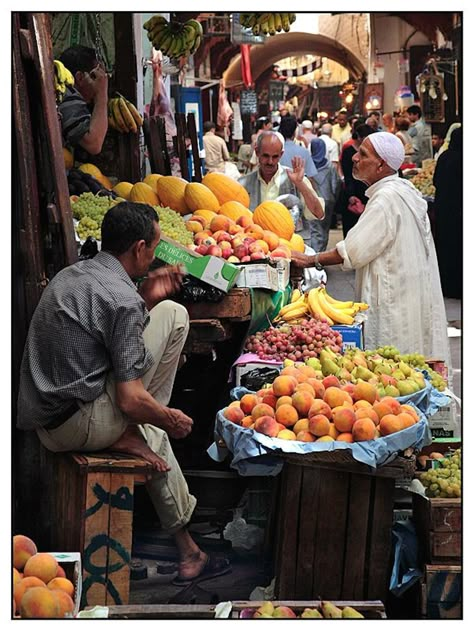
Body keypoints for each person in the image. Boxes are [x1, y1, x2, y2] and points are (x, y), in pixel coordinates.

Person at [16, 202, 231, 585]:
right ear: (139, 248)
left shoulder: (75, 273)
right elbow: (130, 399)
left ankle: (132, 430)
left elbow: (109, 328)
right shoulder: (123, 299)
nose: (155, 255)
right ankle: (189, 551)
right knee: (154, 428)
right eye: (154, 247)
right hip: (77, 424)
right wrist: (167, 419)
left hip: (48, 419)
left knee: (170, 315)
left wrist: (146, 299)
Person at [290, 132, 450, 363]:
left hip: (391, 298)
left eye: (363, 154)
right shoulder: (401, 191)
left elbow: (352, 250)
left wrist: (309, 260)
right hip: (406, 294)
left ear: (381, 165)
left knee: (389, 365)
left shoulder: (386, 199)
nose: (354, 158)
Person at [238, 131, 325, 222]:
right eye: (266, 156)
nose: (270, 162)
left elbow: (319, 213)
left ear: (281, 154)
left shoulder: (296, 179)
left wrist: (300, 184)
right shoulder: (243, 184)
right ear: (257, 152)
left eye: (275, 157)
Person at [58, 45, 109, 155]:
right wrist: (101, 94)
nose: (100, 83)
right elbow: (94, 144)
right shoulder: (68, 96)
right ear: (80, 77)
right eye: (96, 77)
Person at [433, 127, 462, 299]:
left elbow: (436, 181)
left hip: (444, 209)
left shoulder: (444, 157)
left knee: (445, 246)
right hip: (459, 211)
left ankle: (446, 285)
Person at [338, 123, 376, 237]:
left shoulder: (371, 152)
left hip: (367, 191)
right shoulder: (348, 151)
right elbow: (348, 176)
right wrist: (350, 195)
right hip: (354, 191)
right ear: (359, 137)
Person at [309, 137, 342, 252]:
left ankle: (314, 253)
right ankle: (320, 253)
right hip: (327, 200)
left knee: (313, 228)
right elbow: (336, 184)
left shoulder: (307, 165)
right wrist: (334, 198)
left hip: (311, 201)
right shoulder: (330, 167)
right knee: (324, 229)